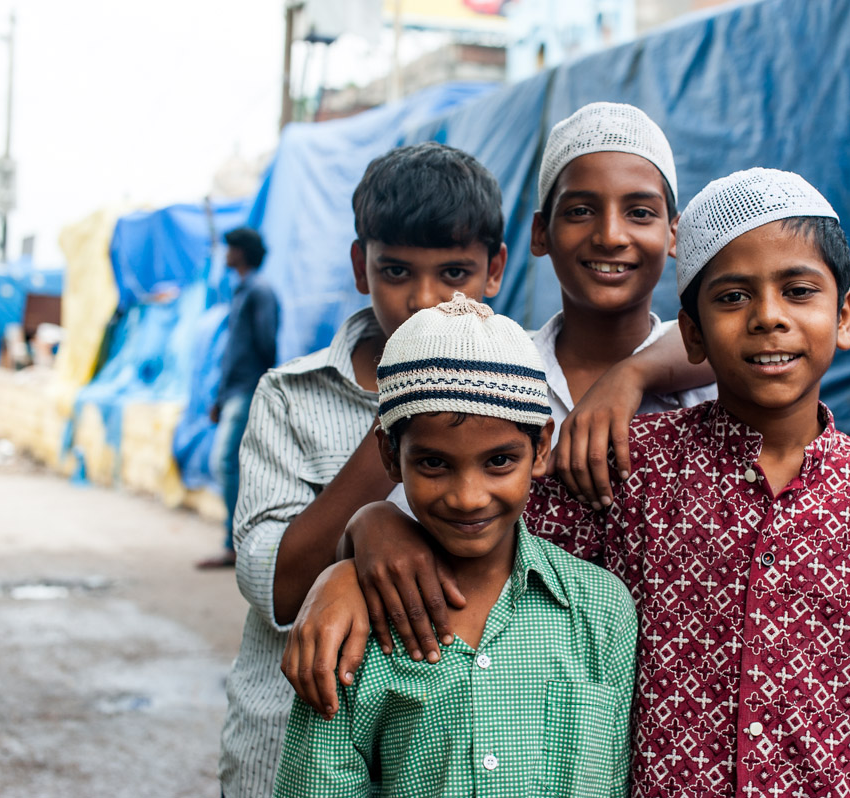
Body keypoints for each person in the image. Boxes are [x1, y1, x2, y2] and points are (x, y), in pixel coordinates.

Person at [288, 168, 850, 797]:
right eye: (733, 297)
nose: (768, 317)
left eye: (798, 290)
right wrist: (366, 536)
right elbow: (488, 539)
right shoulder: (623, 469)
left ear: (844, 315)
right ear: (692, 337)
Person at [215, 143, 510, 797]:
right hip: (288, 743)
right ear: (360, 266)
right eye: (397, 271)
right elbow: (278, 587)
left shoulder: (522, 400)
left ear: (495, 271)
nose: (425, 301)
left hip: (445, 761)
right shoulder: (292, 396)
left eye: (455, 273)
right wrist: (403, 422)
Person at [274, 293, 638, 797]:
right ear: (388, 452)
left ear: (541, 448)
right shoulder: (352, 629)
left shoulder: (601, 611)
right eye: (433, 464)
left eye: (499, 462)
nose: (468, 498)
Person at [197, 226, 279, 569]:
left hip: (246, 389)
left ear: (241, 252)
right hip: (233, 391)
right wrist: (219, 397)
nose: (225, 254)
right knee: (235, 464)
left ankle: (235, 545)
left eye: (230, 248)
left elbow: (265, 345)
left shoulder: (260, 291)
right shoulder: (242, 291)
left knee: (227, 462)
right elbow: (233, 351)